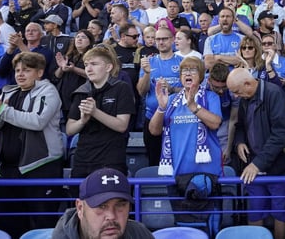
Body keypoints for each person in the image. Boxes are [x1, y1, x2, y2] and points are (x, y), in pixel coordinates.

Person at [0, 52, 64, 238]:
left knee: (42, 225)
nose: (20, 74)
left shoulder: (48, 91)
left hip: (41, 168)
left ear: (40, 73)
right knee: (8, 223)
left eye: (26, 70)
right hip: (7, 171)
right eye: (17, 70)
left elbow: (37, 121)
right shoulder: (8, 91)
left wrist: (1, 110)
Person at [228, 68, 285, 239]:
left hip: (279, 167)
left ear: (248, 84)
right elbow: (241, 125)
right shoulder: (246, 97)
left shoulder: (275, 94)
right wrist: (239, 142)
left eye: (237, 91)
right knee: (255, 211)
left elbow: (281, 134)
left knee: (281, 213)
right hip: (255, 166)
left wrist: (257, 164)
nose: (235, 96)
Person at [66, 45, 135, 177]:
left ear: (108, 67)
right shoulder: (81, 91)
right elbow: (69, 130)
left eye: (94, 64)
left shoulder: (121, 88)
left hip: (111, 159)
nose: (89, 69)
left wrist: (95, 112)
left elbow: (122, 126)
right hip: (83, 160)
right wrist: (82, 121)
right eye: (86, 65)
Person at [148, 57, 222, 176]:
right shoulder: (171, 100)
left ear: (201, 75)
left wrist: (193, 106)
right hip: (176, 172)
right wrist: (161, 108)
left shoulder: (211, 97)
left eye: (193, 70)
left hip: (207, 172)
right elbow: (154, 131)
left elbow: (215, 123)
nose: (188, 73)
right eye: (184, 70)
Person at [52, 167, 154, 239]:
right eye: (101, 206)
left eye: (120, 205)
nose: (111, 216)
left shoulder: (138, 233)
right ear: (80, 208)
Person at [136, 27, 183, 166]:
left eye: (164, 39)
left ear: (173, 40)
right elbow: (141, 91)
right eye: (158, 39)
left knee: (177, 161)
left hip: (177, 119)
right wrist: (147, 74)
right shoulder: (149, 62)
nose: (161, 42)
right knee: (154, 161)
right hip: (152, 118)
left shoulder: (182, 62)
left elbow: (191, 90)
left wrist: (172, 88)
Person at [54, 30, 94, 121]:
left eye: (83, 37)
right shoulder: (68, 55)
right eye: (77, 37)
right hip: (64, 97)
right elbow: (57, 76)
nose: (79, 39)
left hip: (81, 96)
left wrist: (74, 69)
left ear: (90, 41)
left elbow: (91, 75)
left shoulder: (92, 57)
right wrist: (61, 67)